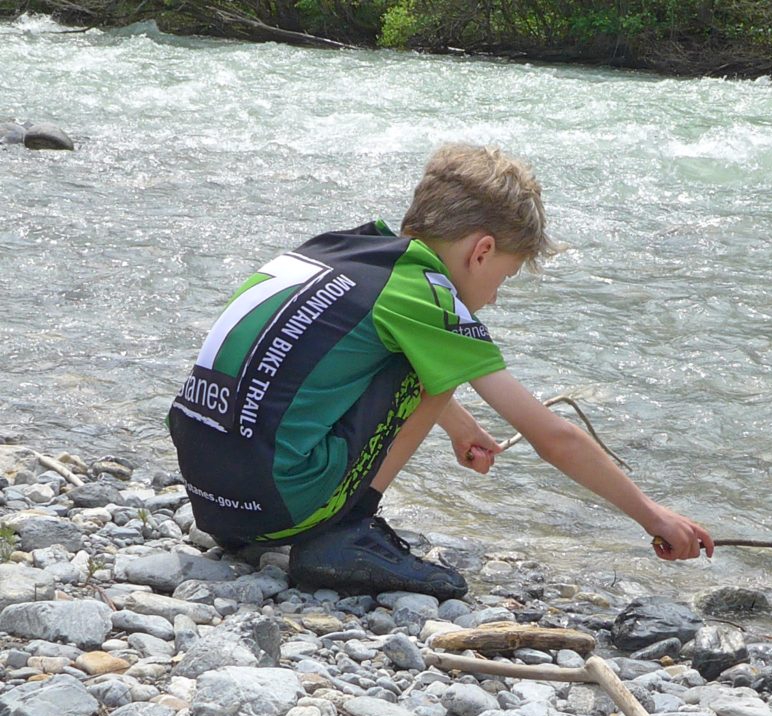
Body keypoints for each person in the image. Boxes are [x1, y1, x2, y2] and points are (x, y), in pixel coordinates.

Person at [168, 143, 714, 600]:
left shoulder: (343, 248)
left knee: (421, 355)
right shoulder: (429, 297)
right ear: (482, 251)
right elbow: (554, 437)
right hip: (276, 501)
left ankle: (301, 525)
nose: (495, 297)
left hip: (214, 497)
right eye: (506, 275)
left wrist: (457, 423)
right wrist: (651, 516)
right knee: (447, 350)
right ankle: (345, 534)